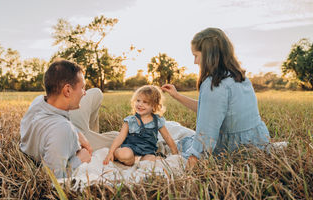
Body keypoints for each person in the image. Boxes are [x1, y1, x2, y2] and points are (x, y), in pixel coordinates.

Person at [162, 27, 270, 168]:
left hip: (233, 149)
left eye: (196, 55)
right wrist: (177, 96)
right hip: (258, 142)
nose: (195, 62)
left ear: (208, 55)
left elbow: (206, 132)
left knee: (183, 144)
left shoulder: (214, 84)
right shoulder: (240, 77)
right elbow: (210, 110)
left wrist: (194, 158)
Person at [20, 59, 117, 178]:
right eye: (82, 87)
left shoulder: (39, 101)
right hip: (67, 134)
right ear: (67, 90)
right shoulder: (63, 130)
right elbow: (53, 178)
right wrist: (80, 159)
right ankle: (94, 142)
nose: (84, 93)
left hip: (67, 126)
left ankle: (90, 134)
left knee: (96, 93)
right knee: (120, 137)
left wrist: (78, 132)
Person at [103, 85, 179, 166]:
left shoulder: (157, 121)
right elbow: (120, 137)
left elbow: (167, 137)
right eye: (138, 101)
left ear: (154, 106)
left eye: (145, 102)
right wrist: (110, 152)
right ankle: (125, 158)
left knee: (149, 161)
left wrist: (175, 153)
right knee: (125, 154)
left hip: (147, 151)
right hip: (130, 148)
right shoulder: (130, 120)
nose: (140, 104)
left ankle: (138, 160)